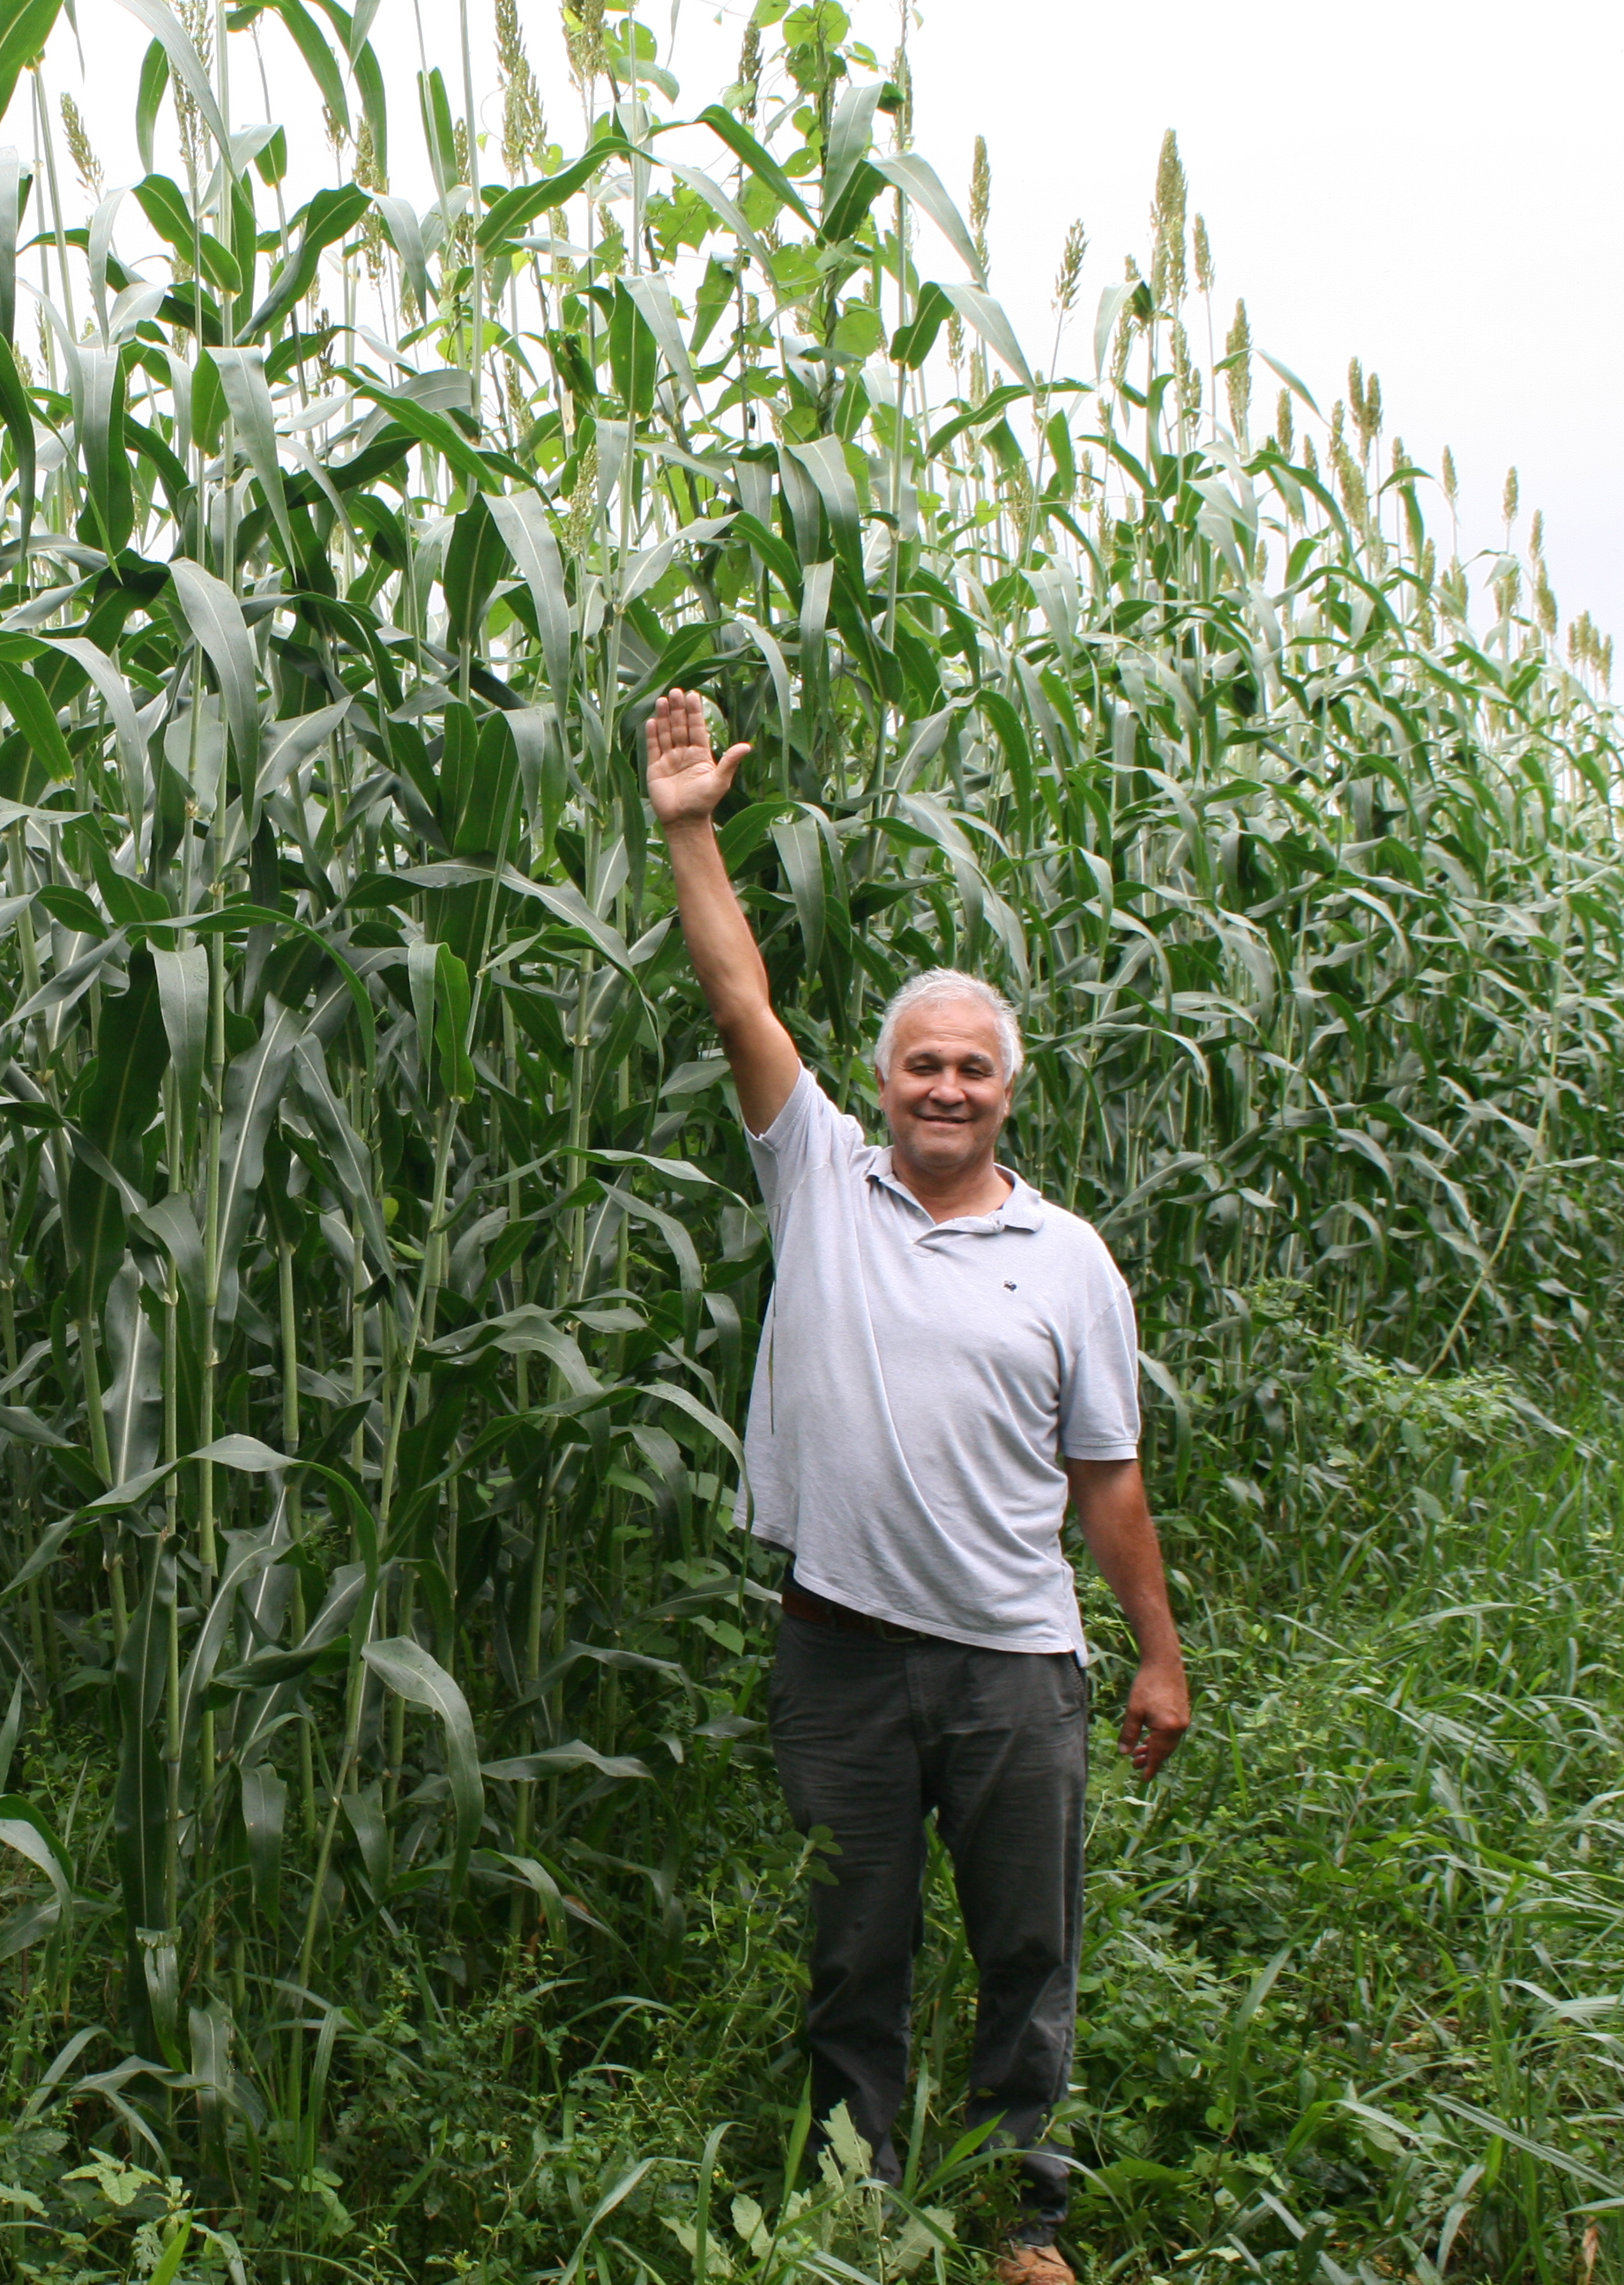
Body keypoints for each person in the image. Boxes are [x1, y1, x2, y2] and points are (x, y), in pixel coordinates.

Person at [642, 688, 1194, 2285]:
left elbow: (1110, 1478)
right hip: (841, 1650)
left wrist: (1155, 1650)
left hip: (1017, 1664)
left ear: (1010, 1091)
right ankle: (853, 2199)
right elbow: (740, 997)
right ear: (878, 1083)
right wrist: (690, 829)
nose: (943, 1088)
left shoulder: (1069, 1259)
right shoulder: (820, 1177)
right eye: (918, 1066)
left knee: (1030, 1949)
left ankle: (1025, 2208)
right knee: (852, 1947)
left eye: (972, 1070)